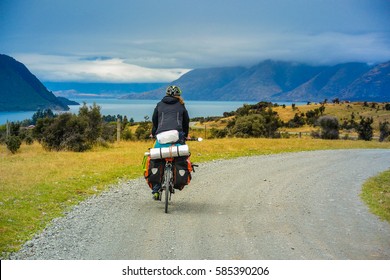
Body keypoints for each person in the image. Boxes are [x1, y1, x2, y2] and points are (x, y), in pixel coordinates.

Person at [150, 85, 190, 200]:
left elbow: (155, 121)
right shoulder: (181, 105)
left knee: (157, 159)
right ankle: (177, 179)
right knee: (180, 156)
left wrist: (154, 133)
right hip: (177, 135)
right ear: (179, 95)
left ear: (167, 94)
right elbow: (186, 122)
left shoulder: (159, 104)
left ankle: (156, 189)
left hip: (161, 136)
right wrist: (186, 134)